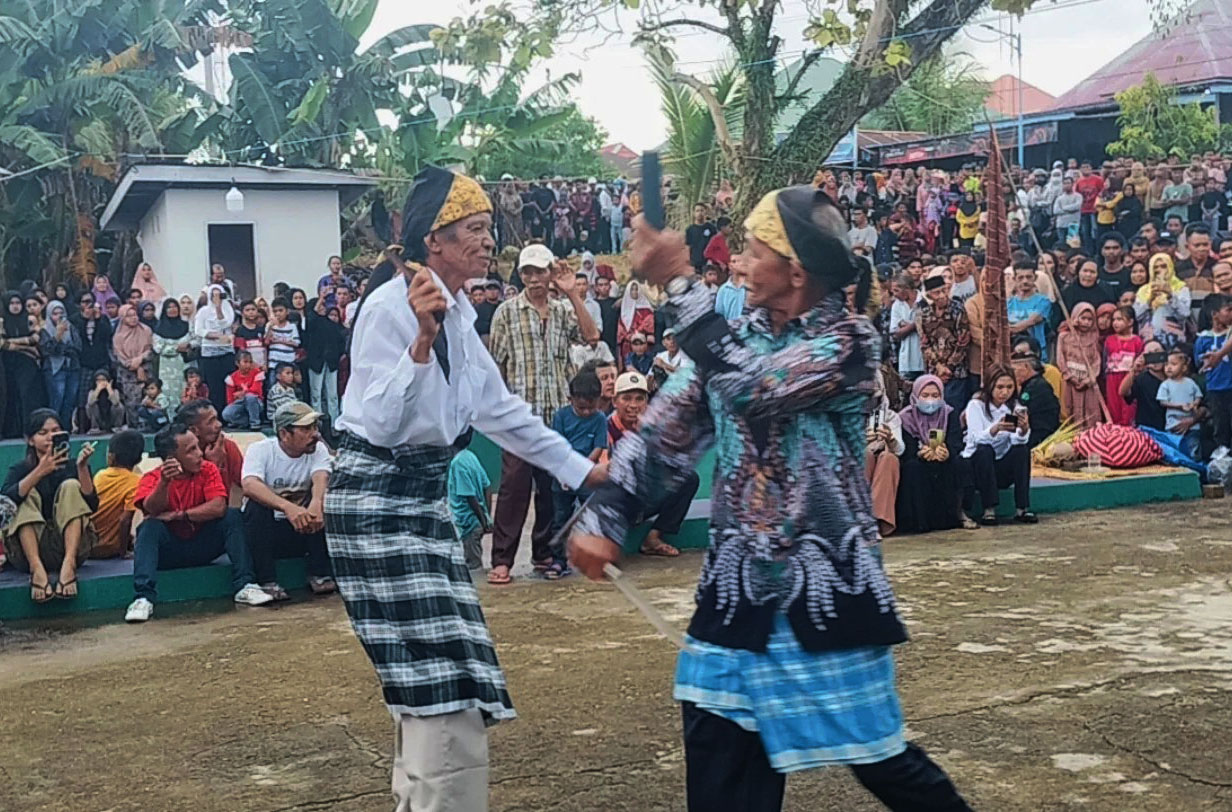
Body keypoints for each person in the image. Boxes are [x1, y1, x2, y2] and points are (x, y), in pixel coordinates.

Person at [569, 188, 970, 812]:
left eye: (754, 252)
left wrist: (678, 282)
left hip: (826, 592)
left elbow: (754, 387)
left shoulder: (850, 341)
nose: (739, 264)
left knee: (884, 763)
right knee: (721, 760)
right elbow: (666, 434)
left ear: (797, 272)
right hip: (737, 594)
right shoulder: (730, 338)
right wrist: (608, 515)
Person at [326, 166, 603, 809]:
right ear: (435, 243)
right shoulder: (390, 309)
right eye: (475, 230)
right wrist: (420, 342)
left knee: (446, 681)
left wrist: (582, 471)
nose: (489, 241)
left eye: (487, 228)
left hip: (419, 503)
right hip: (374, 501)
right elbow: (387, 423)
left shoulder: (460, 315)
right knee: (440, 687)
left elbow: (501, 411)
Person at [487, 241, 600, 585]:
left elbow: (592, 336)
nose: (534, 278)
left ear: (551, 274)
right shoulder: (507, 311)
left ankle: (544, 553)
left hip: (558, 417)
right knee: (513, 489)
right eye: (528, 272)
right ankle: (502, 559)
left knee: (552, 490)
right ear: (520, 275)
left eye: (540, 271)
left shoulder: (564, 310)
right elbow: (496, 365)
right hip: (521, 416)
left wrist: (573, 294)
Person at [124, 423, 272, 622]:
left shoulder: (208, 469)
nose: (200, 454)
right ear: (172, 459)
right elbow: (151, 510)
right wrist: (164, 482)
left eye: (197, 447)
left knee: (231, 515)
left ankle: (245, 585)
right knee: (148, 527)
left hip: (204, 545)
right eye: (191, 450)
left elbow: (218, 506)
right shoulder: (152, 478)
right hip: (170, 551)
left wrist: (180, 515)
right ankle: (143, 597)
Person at [240, 401, 334, 600]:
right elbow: (249, 484)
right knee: (256, 506)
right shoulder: (261, 450)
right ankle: (267, 580)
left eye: (315, 427)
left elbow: (321, 477)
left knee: (326, 499)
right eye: (306, 429)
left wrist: (317, 503)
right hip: (269, 531)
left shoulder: (318, 450)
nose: (314, 434)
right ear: (284, 434)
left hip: (305, 528)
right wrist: (288, 507)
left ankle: (319, 573)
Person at [1, 410, 97, 601]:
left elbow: (92, 505)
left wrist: (82, 468)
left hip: (69, 547)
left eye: (55, 431)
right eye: (43, 433)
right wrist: (39, 472)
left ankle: (68, 566)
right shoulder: (20, 469)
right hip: (27, 553)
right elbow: (5, 505)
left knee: (70, 485)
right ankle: (37, 569)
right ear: (30, 440)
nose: (50, 437)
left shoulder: (72, 466)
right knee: (25, 494)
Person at [546, 370, 608, 579]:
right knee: (560, 518)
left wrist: (581, 470)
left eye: (592, 407)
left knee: (593, 517)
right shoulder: (561, 417)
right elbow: (557, 448)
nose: (587, 412)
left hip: (586, 477)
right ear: (570, 399)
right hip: (562, 477)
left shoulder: (600, 419)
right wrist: (566, 472)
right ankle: (558, 561)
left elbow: (599, 447)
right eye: (581, 407)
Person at [896, 374, 971, 533]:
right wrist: (920, 453)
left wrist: (947, 452)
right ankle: (918, 521)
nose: (930, 400)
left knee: (958, 463)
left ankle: (956, 514)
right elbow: (905, 449)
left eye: (935, 395)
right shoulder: (905, 417)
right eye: (925, 395)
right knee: (912, 467)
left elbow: (956, 441)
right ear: (916, 395)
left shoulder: (949, 414)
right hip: (919, 461)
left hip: (942, 459)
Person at [962, 366, 1035, 525]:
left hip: (1001, 467)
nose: (1005, 392)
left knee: (1022, 451)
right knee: (984, 451)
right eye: (1000, 387)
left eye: (1009, 387)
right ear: (990, 386)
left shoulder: (1014, 406)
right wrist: (995, 429)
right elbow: (975, 439)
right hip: (978, 466)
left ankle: (1022, 508)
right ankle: (989, 509)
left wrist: (1023, 430)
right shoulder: (976, 406)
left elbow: (1017, 441)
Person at [917, 272, 972, 410]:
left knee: (953, 408)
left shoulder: (958, 309)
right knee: (934, 408)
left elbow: (963, 342)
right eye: (936, 293)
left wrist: (948, 368)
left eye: (943, 291)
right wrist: (938, 367)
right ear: (929, 295)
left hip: (956, 371)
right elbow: (925, 344)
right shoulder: (924, 314)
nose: (941, 295)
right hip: (934, 370)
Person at [177, 399, 245, 502]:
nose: (219, 425)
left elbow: (244, 484)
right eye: (211, 421)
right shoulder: (180, 454)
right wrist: (214, 465)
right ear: (194, 430)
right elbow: (191, 502)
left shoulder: (228, 447)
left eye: (217, 419)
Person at [89, 429, 144, 559]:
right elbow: (125, 520)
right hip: (109, 548)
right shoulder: (135, 481)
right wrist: (123, 552)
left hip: (87, 545)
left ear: (111, 456)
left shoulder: (100, 475)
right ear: (139, 459)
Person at [447, 428, 491, 573]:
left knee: (473, 568)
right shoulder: (471, 457)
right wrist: (487, 517)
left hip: (469, 524)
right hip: (475, 522)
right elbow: (487, 487)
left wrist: (483, 520)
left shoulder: (457, 463)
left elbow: (469, 496)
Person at [865, 371, 903, 537]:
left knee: (889, 459)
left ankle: (877, 520)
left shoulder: (890, 417)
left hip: (882, 458)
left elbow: (900, 449)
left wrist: (890, 439)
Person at [1056, 302, 1105, 430]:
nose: (1086, 322)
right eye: (1083, 318)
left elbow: (1096, 362)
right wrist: (1069, 375)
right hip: (1070, 381)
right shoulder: (1064, 337)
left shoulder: (1093, 338)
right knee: (1070, 410)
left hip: (1087, 383)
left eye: (1090, 319)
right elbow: (1060, 358)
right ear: (1075, 317)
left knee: (1089, 412)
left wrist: (1089, 380)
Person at [2, 291, 44, 439]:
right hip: (8, 365)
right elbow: (3, 345)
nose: (15, 307)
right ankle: (12, 431)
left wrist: (14, 341)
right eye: (12, 304)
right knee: (10, 396)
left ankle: (29, 430)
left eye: (18, 303)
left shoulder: (29, 319)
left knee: (26, 396)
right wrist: (26, 346)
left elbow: (36, 338)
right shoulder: (2, 321)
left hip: (27, 365)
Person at [1194, 294, 1232, 451]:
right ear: (1214, 314)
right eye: (1228, 310)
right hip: (1216, 389)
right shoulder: (1203, 339)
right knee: (1221, 427)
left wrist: (1220, 355)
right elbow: (1200, 365)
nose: (1231, 313)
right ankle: (1223, 464)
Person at [39, 300, 82, 431]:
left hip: (72, 368)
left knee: (70, 400)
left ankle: (66, 429)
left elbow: (78, 347)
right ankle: (53, 430)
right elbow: (47, 350)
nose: (58, 316)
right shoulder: (45, 330)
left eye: (61, 313)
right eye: (55, 313)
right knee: (57, 401)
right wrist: (57, 335)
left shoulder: (71, 327)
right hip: (54, 369)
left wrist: (61, 349)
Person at [194, 284, 236, 414]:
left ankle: (228, 414)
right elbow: (198, 330)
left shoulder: (227, 308)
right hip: (209, 353)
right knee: (214, 386)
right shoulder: (203, 311)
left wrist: (218, 307)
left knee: (228, 383)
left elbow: (225, 323)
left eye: (219, 294)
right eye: (213, 295)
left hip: (226, 351)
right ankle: (215, 413)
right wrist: (212, 335)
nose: (216, 297)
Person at [1134, 253, 1190, 348]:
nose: (1158, 270)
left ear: (1170, 266)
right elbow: (1136, 316)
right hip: (1149, 340)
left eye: (1163, 266)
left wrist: (1170, 295)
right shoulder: (1144, 290)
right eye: (1155, 267)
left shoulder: (1181, 288)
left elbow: (1184, 314)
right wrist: (1149, 300)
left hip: (1173, 340)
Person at [112, 304, 154, 428]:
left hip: (146, 370)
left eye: (134, 315)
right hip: (128, 374)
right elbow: (118, 356)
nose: (133, 318)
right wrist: (134, 365)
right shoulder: (118, 336)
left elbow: (151, 350)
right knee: (132, 402)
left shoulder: (146, 330)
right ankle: (134, 428)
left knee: (148, 398)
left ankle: (149, 426)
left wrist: (140, 360)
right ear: (122, 318)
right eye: (129, 316)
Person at [304, 296, 346, 420]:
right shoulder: (311, 323)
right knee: (316, 393)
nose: (322, 308)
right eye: (320, 306)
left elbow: (339, 342)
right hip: (316, 362)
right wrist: (322, 297)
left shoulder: (331, 325)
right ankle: (317, 421)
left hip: (331, 363)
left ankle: (334, 421)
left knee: (332, 394)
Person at [1157, 350, 1202, 458]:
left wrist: (1195, 404)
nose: (1168, 367)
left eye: (1173, 364)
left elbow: (1198, 395)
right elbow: (1162, 402)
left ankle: (1196, 470)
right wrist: (1179, 406)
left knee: (1193, 449)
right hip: (1173, 425)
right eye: (1166, 364)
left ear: (1184, 368)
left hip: (1192, 426)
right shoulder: (1165, 384)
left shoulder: (1190, 382)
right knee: (1176, 451)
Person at [1104, 306, 1143, 426]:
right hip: (1112, 378)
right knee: (1113, 406)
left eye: (1120, 319)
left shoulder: (1137, 341)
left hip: (1128, 377)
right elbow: (1105, 359)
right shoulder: (1109, 340)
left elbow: (1139, 361)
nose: (1115, 323)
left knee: (1128, 406)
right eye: (1114, 320)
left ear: (1130, 322)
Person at [151, 298, 192, 412]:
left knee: (183, 391)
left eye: (175, 307)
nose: (172, 309)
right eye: (169, 307)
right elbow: (158, 348)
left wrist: (188, 346)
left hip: (183, 365)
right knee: (166, 393)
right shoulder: (158, 328)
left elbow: (194, 341)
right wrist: (176, 348)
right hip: (165, 367)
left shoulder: (186, 325)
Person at [1120, 339, 1169, 431]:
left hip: (1171, 429)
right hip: (1148, 429)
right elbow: (1122, 392)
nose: (1155, 357)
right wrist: (1133, 370)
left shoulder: (1175, 377)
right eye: (1150, 354)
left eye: (1157, 352)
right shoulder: (1142, 378)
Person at [1007, 262, 1052, 361]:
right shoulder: (1008, 303)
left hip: (1037, 355)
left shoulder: (1043, 301)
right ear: (1014, 279)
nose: (1025, 281)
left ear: (1035, 278)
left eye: (1028, 277)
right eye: (1020, 277)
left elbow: (1031, 321)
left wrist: (1010, 329)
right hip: (1013, 355)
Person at [890, 273, 923, 379]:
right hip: (906, 362)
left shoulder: (924, 301)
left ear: (907, 289)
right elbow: (895, 334)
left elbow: (929, 328)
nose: (894, 294)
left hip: (924, 360)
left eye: (896, 290)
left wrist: (906, 325)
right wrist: (916, 324)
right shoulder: (896, 305)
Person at [222, 351, 265, 429]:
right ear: (237, 363)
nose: (248, 365)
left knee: (250, 397)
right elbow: (230, 399)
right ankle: (244, 422)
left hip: (256, 402)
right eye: (245, 362)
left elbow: (256, 391)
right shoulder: (232, 377)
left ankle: (255, 423)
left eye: (250, 362)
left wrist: (242, 393)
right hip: (240, 403)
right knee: (226, 413)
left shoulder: (257, 373)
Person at [616, 280, 655, 364]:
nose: (634, 292)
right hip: (627, 345)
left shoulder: (646, 309)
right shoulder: (624, 309)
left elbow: (649, 325)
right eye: (632, 289)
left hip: (642, 344)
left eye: (636, 289)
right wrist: (627, 336)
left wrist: (637, 333)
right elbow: (621, 327)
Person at [684, 203, 717, 272]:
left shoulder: (711, 228)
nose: (699, 213)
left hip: (708, 263)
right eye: (697, 211)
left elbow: (716, 246)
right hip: (694, 263)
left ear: (705, 212)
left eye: (702, 210)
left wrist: (712, 260)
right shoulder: (690, 229)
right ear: (694, 213)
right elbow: (687, 247)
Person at [714, 254, 748, 320]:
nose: (734, 265)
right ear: (729, 265)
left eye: (739, 261)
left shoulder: (752, 288)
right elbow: (719, 315)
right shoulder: (723, 290)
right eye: (733, 261)